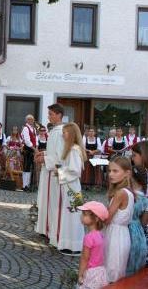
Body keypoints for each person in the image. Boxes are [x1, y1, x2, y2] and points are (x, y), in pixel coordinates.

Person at [35, 103, 65, 240]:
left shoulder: (61, 132)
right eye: (48, 114)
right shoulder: (54, 131)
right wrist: (43, 154)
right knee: (45, 200)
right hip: (48, 172)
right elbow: (53, 152)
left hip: (55, 173)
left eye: (51, 114)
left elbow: (61, 156)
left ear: (59, 115)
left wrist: (44, 160)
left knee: (53, 203)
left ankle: (52, 230)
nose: (48, 117)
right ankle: (45, 228)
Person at [55, 122, 86, 253]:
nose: (63, 134)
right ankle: (70, 243)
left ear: (72, 134)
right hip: (70, 186)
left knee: (73, 213)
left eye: (65, 132)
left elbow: (75, 170)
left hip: (72, 186)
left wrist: (60, 172)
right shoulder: (72, 148)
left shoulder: (73, 150)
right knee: (71, 213)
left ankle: (74, 245)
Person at [104, 156, 134, 283]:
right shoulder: (128, 191)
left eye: (115, 171)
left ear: (127, 173)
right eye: (110, 171)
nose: (111, 174)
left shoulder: (120, 193)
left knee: (112, 271)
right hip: (121, 234)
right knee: (115, 270)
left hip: (116, 236)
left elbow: (107, 218)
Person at [77, 201, 109, 289]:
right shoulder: (101, 235)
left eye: (84, 214)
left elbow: (85, 258)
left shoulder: (89, 237)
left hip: (91, 273)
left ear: (96, 218)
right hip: (101, 272)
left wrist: (80, 275)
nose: (81, 216)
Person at [126, 166, 148, 276]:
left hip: (126, 229)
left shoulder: (127, 194)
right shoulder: (145, 198)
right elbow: (144, 222)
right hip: (138, 233)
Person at [21, 114, 38, 191]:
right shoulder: (25, 128)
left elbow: (36, 139)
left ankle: (29, 184)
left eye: (32, 119)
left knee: (32, 167)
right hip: (28, 149)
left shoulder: (34, 129)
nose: (31, 121)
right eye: (30, 119)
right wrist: (34, 149)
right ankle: (25, 186)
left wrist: (36, 147)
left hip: (33, 149)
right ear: (27, 120)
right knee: (26, 167)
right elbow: (27, 141)